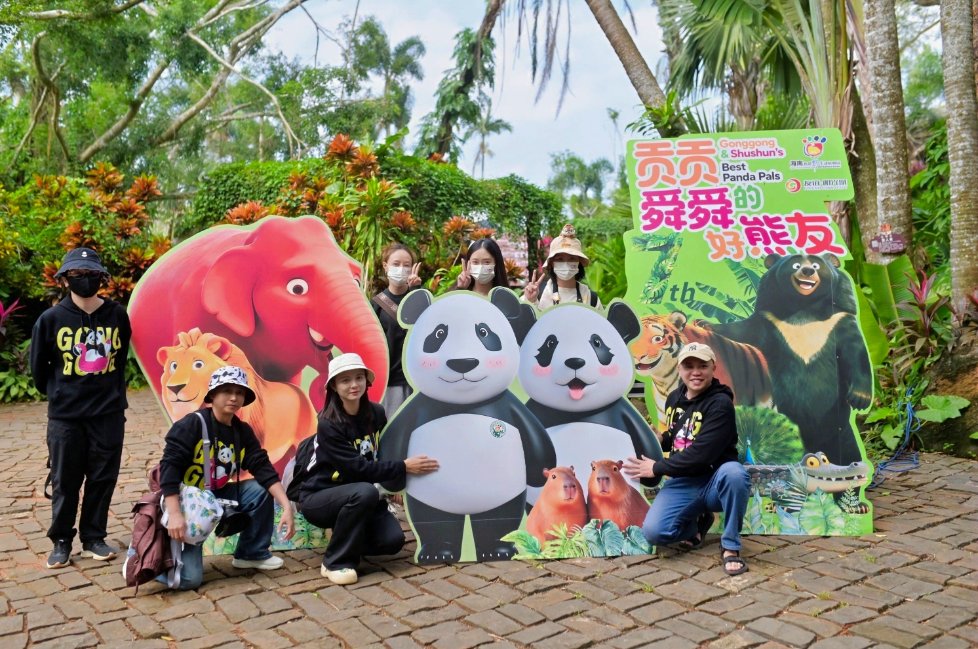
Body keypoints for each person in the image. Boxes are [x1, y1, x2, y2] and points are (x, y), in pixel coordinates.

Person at [297, 353, 438, 585]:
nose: (354, 385)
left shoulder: (376, 413)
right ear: (333, 385)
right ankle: (336, 562)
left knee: (391, 542)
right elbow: (358, 469)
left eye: (358, 377)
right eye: (345, 380)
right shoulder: (328, 423)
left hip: (360, 495)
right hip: (320, 496)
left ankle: (344, 537)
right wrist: (403, 467)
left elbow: (384, 451)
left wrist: (397, 483)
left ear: (367, 380)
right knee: (365, 491)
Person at [30, 247, 131, 569]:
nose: (84, 280)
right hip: (66, 416)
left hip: (108, 412)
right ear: (64, 280)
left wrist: (110, 394)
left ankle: (94, 537)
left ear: (102, 278)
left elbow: (121, 356)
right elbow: (38, 369)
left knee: (103, 476)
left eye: (90, 275)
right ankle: (61, 539)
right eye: (76, 275)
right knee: (65, 478)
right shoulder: (51, 319)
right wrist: (60, 394)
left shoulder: (117, 315)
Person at [158, 366, 294, 589]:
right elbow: (169, 469)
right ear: (212, 395)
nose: (234, 398)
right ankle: (143, 561)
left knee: (259, 490)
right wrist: (174, 513)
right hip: (187, 504)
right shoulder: (192, 424)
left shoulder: (241, 430)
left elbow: (263, 468)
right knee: (190, 579)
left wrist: (286, 505)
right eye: (227, 391)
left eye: (239, 392)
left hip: (216, 495)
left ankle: (251, 552)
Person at [622, 342, 750, 576]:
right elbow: (681, 438)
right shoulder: (674, 398)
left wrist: (657, 467)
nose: (696, 372)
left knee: (735, 474)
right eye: (688, 366)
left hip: (715, 480)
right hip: (684, 482)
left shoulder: (720, 404)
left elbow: (702, 454)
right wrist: (662, 439)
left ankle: (730, 545)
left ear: (713, 367)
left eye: (702, 365)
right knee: (655, 533)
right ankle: (696, 525)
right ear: (679, 369)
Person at [373, 243, 422, 416]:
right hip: (390, 384)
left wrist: (416, 291)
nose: (401, 269)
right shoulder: (376, 305)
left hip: (419, 381)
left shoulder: (420, 298)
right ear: (386, 266)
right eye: (396, 264)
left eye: (406, 265)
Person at [523, 223, 602, 309]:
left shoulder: (591, 298)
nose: (566, 263)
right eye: (560, 259)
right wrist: (531, 302)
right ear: (551, 263)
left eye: (572, 258)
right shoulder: (537, 294)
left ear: (579, 262)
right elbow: (524, 321)